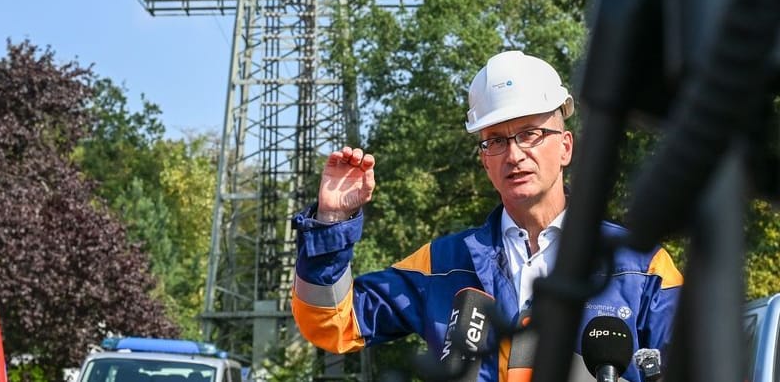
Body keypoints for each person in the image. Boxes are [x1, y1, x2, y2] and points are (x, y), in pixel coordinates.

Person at [290, 50, 683, 381]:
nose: (513, 155)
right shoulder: (440, 265)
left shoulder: (640, 265)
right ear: (484, 161)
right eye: (495, 141)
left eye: (530, 133)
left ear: (565, 147)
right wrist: (332, 219)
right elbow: (332, 323)